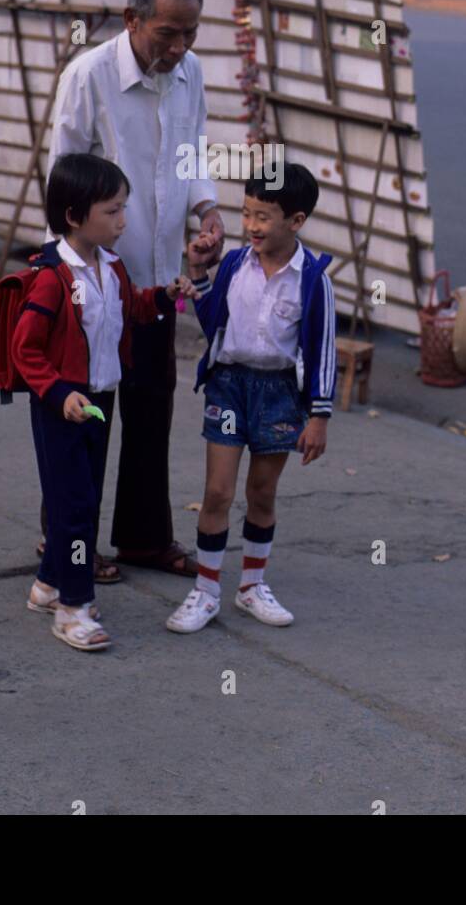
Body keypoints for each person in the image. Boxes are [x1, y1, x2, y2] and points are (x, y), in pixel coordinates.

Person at [47, 0, 225, 580]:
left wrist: (206, 209)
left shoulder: (190, 73)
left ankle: (145, 538)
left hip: (156, 284)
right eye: (168, 33)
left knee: (151, 409)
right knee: (87, 417)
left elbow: (193, 150)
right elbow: (61, 185)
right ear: (131, 20)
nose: (179, 47)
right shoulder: (88, 76)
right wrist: (67, 281)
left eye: (191, 33)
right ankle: (68, 544)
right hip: (93, 285)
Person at [11, 153, 197, 651]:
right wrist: (57, 393)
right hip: (63, 409)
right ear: (74, 216)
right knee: (74, 508)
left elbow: (131, 307)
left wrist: (164, 297)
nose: (123, 221)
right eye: (112, 211)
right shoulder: (51, 277)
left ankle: (48, 586)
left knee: (83, 499)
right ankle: (73, 608)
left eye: (124, 208)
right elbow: (23, 348)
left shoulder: (110, 267)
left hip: (100, 401)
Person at [165, 164, 336, 635]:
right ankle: (205, 591)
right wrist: (198, 274)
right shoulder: (236, 265)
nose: (252, 226)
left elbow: (322, 351)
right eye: (247, 213)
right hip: (228, 387)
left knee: (262, 492)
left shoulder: (312, 279)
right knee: (217, 492)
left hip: (279, 394)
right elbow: (213, 321)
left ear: (295, 221)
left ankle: (251, 587)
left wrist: (318, 416)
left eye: (264, 216)